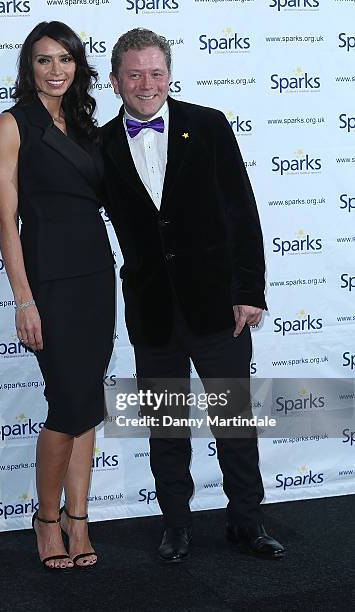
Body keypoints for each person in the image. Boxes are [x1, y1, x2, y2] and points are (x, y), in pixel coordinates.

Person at [100, 28, 285, 562]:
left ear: (169, 74)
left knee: (233, 421)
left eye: (156, 72)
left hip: (218, 305)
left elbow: (240, 210)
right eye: (134, 73)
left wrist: (250, 289)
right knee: (167, 429)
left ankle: (247, 524)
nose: (146, 83)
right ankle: (176, 526)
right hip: (153, 309)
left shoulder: (208, 125)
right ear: (115, 81)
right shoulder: (103, 144)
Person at [0, 21, 115, 571]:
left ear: (78, 65)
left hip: (95, 277)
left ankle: (78, 519)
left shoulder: (88, 127)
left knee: (86, 401)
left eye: (65, 59)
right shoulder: (12, 125)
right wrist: (23, 298)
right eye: (44, 60)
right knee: (66, 404)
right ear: (29, 67)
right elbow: (5, 219)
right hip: (49, 284)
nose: (56, 70)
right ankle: (45, 520)